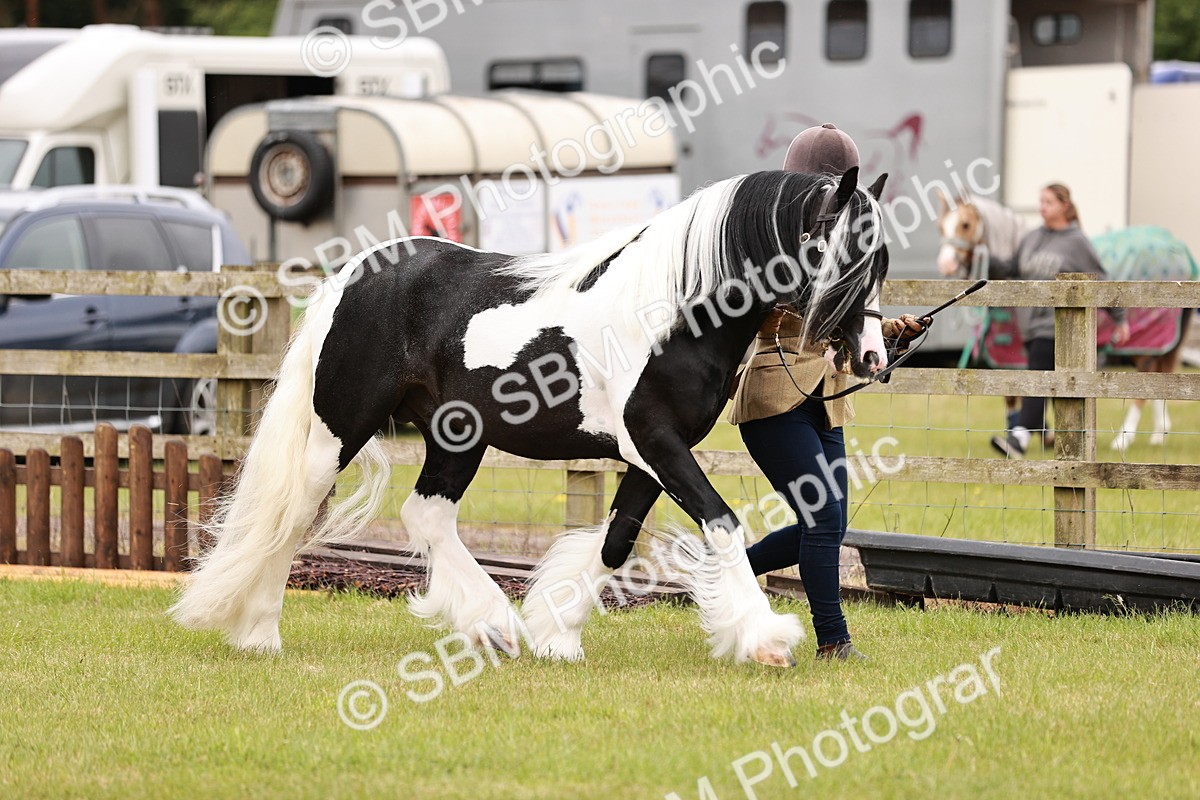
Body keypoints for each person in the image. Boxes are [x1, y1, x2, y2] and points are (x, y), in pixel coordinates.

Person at [729, 124, 924, 661]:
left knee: (829, 522)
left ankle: (728, 576)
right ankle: (834, 640)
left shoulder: (844, 243)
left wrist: (890, 332)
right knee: (822, 520)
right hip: (774, 396)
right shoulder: (769, 238)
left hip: (829, 400)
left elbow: (843, 321)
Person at [990, 184, 1130, 459]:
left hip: (1058, 327)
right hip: (1030, 326)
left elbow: (1100, 280)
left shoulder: (1077, 242)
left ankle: (1019, 437)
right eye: (1040, 201)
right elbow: (1013, 269)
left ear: (1065, 205)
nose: (1042, 207)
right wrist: (981, 258)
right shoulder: (1031, 238)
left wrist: (1120, 318)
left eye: (1049, 202)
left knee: (1038, 378)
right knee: (1052, 383)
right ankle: (1054, 436)